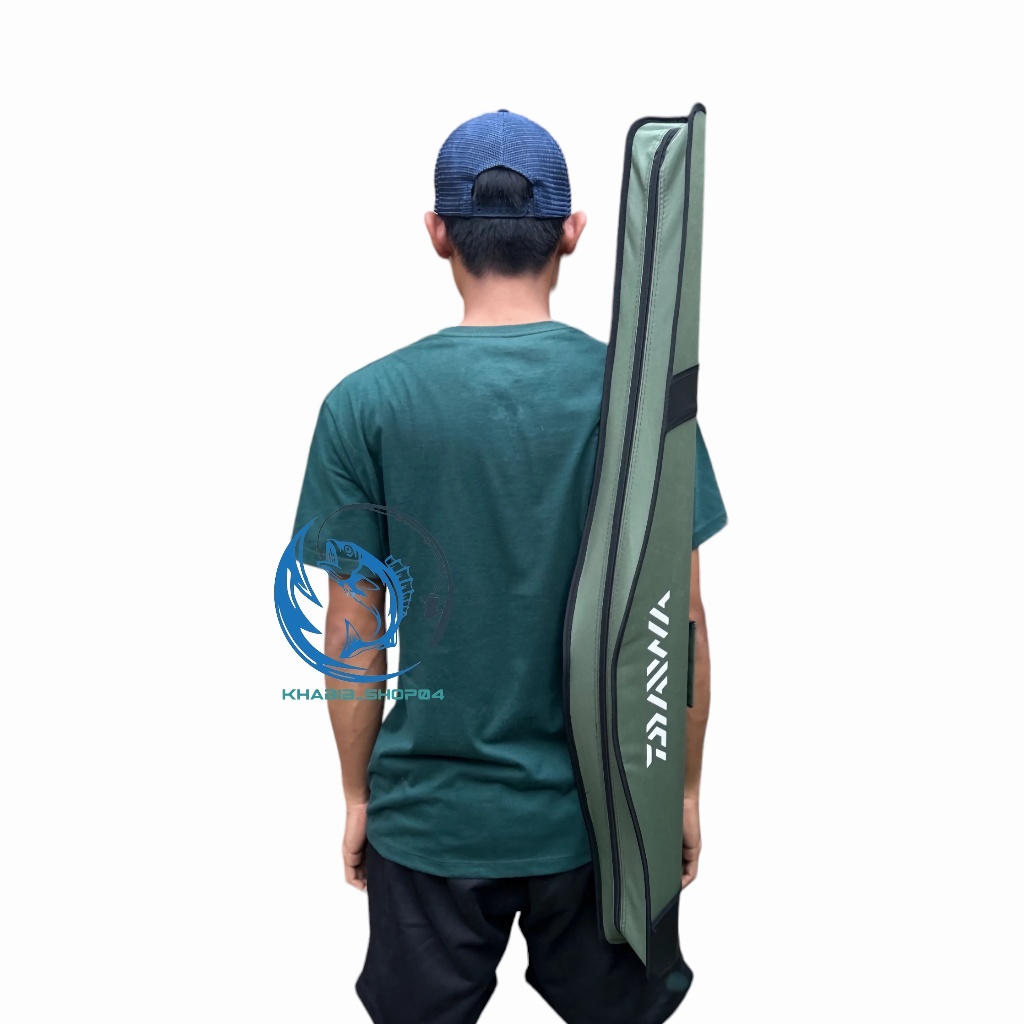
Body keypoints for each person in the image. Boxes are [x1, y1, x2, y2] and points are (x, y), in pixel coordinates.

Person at [292, 109, 728, 1024]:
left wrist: (358, 794)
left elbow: (354, 631)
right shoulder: (642, 403)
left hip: (431, 816)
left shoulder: (365, 405)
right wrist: (682, 791)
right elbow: (677, 623)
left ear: (437, 232)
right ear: (572, 232)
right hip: (607, 819)